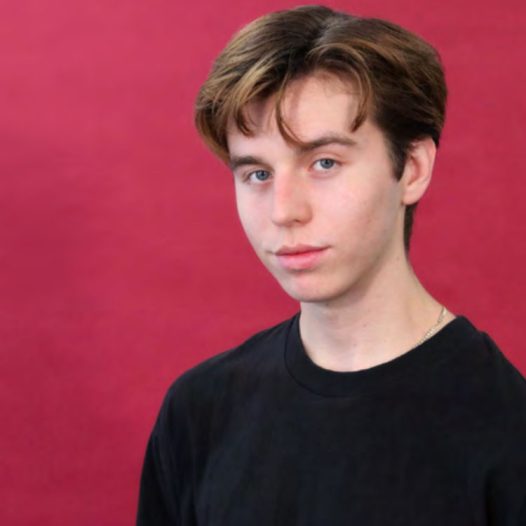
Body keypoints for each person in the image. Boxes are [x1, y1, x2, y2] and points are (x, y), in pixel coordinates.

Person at [136, 6, 526, 525]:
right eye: (257, 173)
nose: (284, 211)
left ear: (412, 168)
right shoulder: (198, 413)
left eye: (324, 163)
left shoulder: (508, 428)